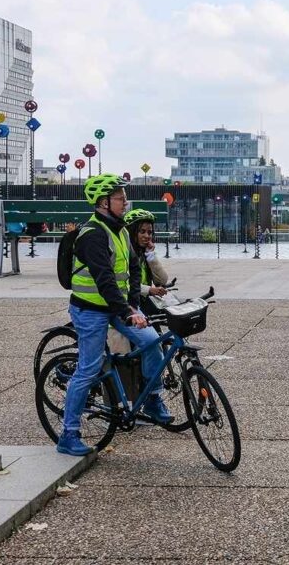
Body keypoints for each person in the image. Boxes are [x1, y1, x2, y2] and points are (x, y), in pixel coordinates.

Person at [57, 174, 173, 456]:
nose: (125, 203)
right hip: (90, 310)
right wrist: (126, 311)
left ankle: (153, 399)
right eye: (120, 199)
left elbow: (133, 269)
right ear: (103, 202)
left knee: (152, 342)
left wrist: (133, 304)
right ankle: (68, 434)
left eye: (124, 198)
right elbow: (104, 278)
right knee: (88, 368)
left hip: (118, 307)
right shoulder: (92, 235)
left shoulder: (120, 230)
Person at [124, 208, 169, 315]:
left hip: (142, 302)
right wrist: (148, 290)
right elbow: (122, 284)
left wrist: (151, 256)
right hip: (127, 306)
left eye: (150, 232)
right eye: (142, 232)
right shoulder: (124, 254)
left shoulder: (143, 254)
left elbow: (163, 280)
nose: (147, 236)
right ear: (131, 232)